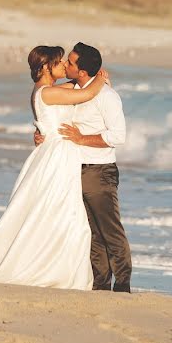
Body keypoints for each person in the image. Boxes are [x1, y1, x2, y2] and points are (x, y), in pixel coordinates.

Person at [0, 45, 107, 289]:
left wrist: (83, 80)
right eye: (59, 63)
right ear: (46, 67)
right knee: (63, 213)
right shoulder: (47, 93)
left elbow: (74, 88)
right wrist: (101, 80)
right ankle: (55, 269)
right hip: (57, 156)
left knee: (58, 212)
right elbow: (85, 95)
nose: (64, 66)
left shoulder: (45, 90)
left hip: (56, 154)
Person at [43, 42, 131, 293]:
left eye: (70, 62)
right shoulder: (75, 90)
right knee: (91, 232)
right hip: (72, 169)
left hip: (99, 171)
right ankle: (100, 284)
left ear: (82, 71)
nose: (66, 65)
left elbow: (118, 135)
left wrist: (83, 139)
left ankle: (123, 284)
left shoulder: (107, 96)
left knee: (110, 231)